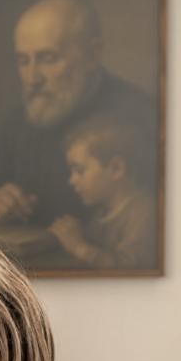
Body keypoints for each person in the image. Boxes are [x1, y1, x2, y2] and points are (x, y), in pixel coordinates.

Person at [0, 0, 154, 240]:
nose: (32, 78)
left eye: (48, 59)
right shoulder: (21, 120)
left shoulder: (139, 114)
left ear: (92, 55)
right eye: (23, 61)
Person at [48, 115, 156, 269]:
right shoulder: (101, 213)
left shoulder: (143, 213)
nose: (72, 180)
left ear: (116, 169)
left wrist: (79, 247)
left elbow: (129, 271)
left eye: (79, 171)